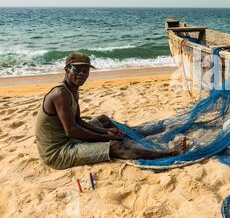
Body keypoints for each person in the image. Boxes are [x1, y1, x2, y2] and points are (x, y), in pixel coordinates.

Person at [35, 52, 186, 170]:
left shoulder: (72, 89)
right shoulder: (60, 94)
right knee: (115, 146)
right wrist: (105, 137)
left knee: (103, 120)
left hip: (70, 138)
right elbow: (72, 130)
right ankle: (169, 153)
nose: (82, 73)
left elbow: (79, 121)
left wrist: (105, 131)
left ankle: (135, 134)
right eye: (77, 69)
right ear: (67, 69)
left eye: (85, 70)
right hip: (58, 152)